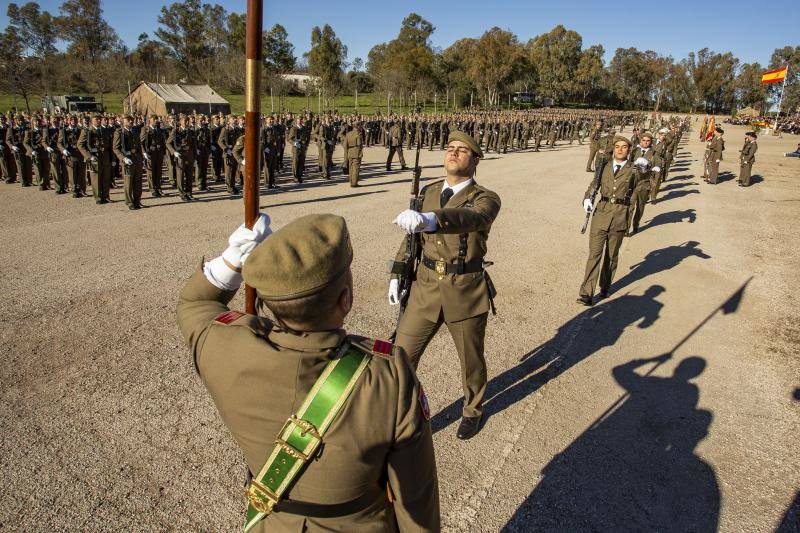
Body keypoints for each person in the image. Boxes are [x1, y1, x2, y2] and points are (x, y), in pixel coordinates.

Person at [176, 213, 439, 532]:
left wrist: (232, 259)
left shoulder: (223, 349)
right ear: (346, 299)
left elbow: (194, 302)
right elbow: (415, 502)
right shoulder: (388, 374)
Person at [389, 131, 501, 440]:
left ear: (475, 160)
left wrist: (429, 219)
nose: (452, 153)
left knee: (471, 362)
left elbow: (470, 219)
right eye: (450, 148)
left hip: (464, 289)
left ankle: (473, 409)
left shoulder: (486, 198)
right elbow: (411, 240)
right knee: (401, 356)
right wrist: (398, 274)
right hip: (425, 288)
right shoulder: (428, 190)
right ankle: (400, 413)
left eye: (461, 150)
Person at [577, 135, 639, 306]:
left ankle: (605, 285)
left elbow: (643, 182)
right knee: (594, 254)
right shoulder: (603, 166)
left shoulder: (634, 169)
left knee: (611, 256)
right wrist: (587, 198)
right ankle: (586, 293)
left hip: (620, 215)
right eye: (617, 146)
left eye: (624, 147)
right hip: (601, 213)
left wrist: (647, 168)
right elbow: (594, 184)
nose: (620, 149)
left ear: (629, 150)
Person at [113, 115, 145, 210]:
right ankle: (129, 202)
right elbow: (116, 148)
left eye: (131, 120)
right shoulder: (119, 132)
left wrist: (141, 157)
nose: (130, 122)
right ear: (123, 121)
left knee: (138, 182)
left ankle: (137, 200)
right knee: (129, 182)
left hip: (137, 159)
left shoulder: (135, 131)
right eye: (128, 120)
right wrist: (123, 158)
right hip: (127, 160)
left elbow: (139, 145)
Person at [345, 121, 364, 187]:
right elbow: (359, 144)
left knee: (350, 168)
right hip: (357, 152)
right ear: (358, 126)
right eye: (360, 125)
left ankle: (351, 181)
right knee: (356, 168)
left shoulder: (348, 134)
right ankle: (354, 183)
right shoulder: (358, 134)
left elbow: (345, 145)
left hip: (350, 152)